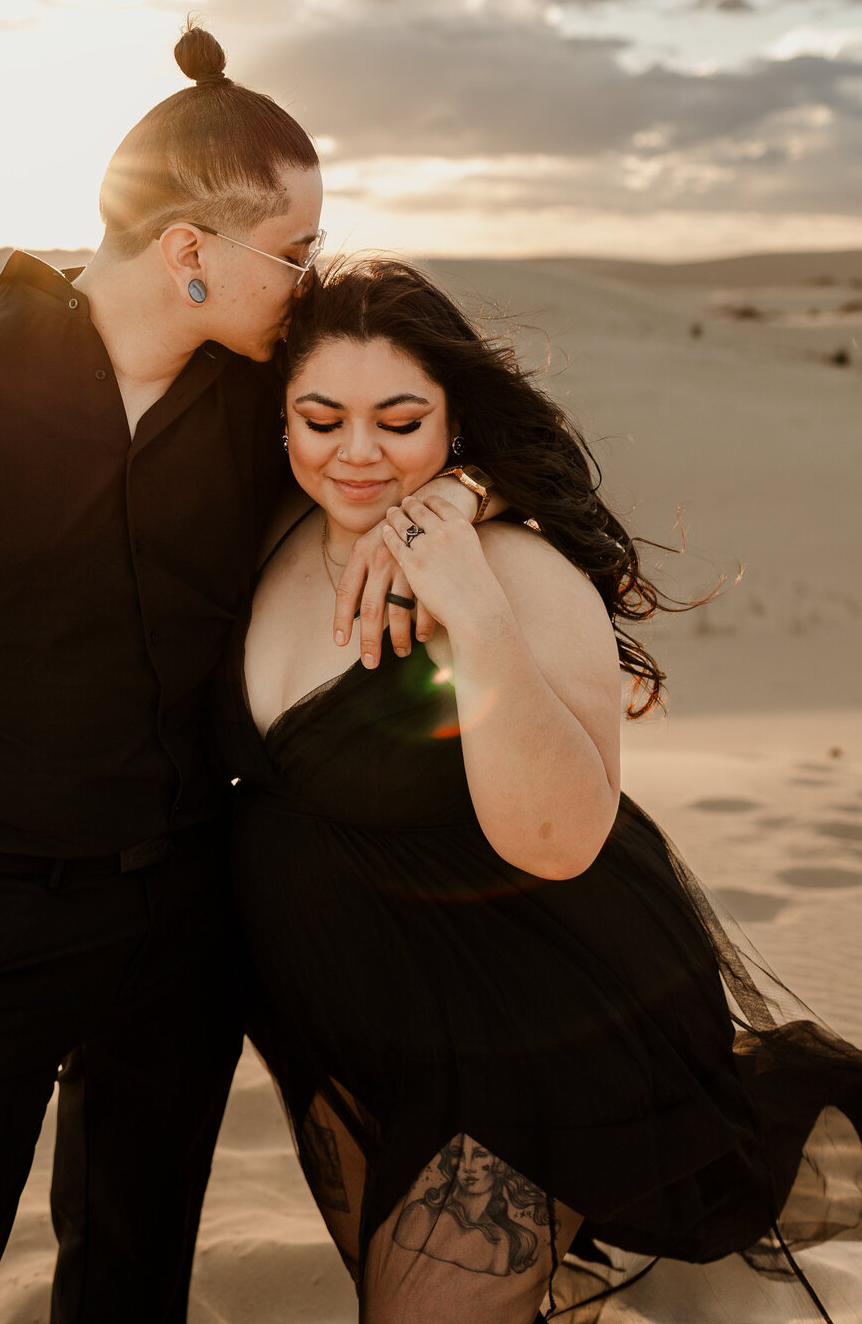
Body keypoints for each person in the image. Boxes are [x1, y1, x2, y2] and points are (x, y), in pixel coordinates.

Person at [0, 26, 490, 1324]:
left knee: (131, 1290)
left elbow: (445, 424)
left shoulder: (269, 403)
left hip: (185, 928)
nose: (309, 281)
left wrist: (454, 495)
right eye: (294, 253)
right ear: (189, 252)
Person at [215, 254, 862, 1324]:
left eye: (401, 419)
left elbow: (561, 837)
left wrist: (474, 611)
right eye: (321, 419)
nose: (358, 453)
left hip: (530, 1025)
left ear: (453, 419)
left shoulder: (519, 571)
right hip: (370, 1030)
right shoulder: (266, 528)